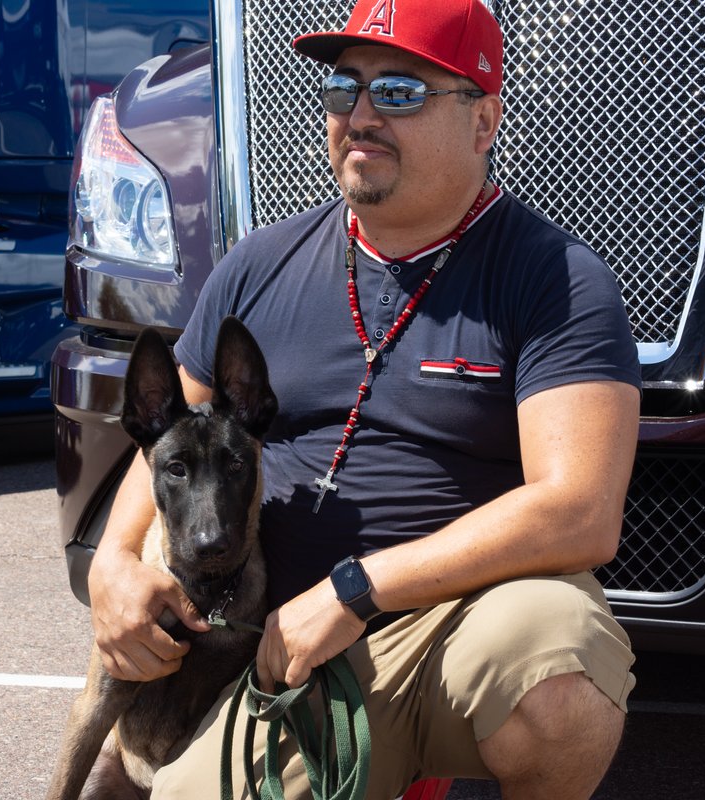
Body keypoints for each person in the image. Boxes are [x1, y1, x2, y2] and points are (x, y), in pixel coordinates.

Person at [86, 0, 642, 797]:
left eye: (403, 93)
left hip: (457, 623)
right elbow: (172, 438)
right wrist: (113, 563)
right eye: (345, 89)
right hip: (283, 653)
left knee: (558, 676)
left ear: (483, 123)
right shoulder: (259, 265)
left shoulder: (555, 279)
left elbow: (580, 510)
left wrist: (358, 588)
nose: (362, 115)